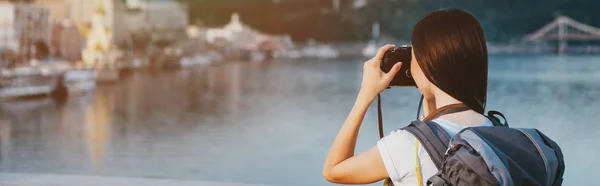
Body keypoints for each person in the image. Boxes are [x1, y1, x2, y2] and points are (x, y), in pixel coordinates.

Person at [323, 9, 492, 185]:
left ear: (428, 63)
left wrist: (366, 93)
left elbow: (334, 170)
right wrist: (430, 96)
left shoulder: (407, 145)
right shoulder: (496, 131)